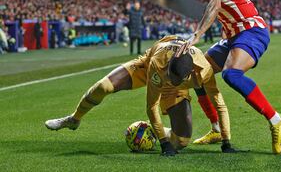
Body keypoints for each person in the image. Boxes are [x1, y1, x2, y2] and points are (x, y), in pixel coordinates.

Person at [160, 0, 281, 154]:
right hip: (232, 36)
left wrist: (197, 34)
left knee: (232, 74)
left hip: (252, 31)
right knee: (197, 74)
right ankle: (217, 128)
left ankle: (277, 120)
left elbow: (215, 4)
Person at [45, 35, 232, 155]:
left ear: (190, 73)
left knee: (181, 141)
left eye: (173, 78)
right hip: (149, 66)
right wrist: (164, 144)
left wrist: (226, 142)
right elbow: (152, 105)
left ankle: (149, 130)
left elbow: (220, 104)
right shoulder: (160, 66)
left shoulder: (204, 71)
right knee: (103, 86)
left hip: (176, 88)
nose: (169, 79)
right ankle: (74, 119)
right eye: (169, 75)